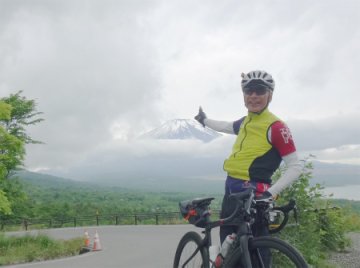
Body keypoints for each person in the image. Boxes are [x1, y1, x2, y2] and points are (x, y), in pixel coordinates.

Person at [194, 70, 302, 246]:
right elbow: (226, 126)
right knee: (227, 246)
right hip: (231, 190)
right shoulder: (246, 122)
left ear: (270, 95)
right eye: (248, 91)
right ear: (243, 95)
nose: (253, 96)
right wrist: (204, 120)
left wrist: (270, 193)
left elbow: (295, 167)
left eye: (259, 90)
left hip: (255, 195)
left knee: (255, 248)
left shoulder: (276, 127)